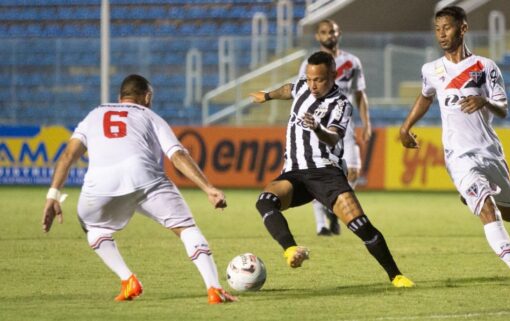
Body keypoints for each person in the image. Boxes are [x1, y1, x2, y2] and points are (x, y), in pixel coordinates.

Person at [42, 74, 238, 303]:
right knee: (186, 228)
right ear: (147, 96)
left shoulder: (93, 115)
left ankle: (128, 280)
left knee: (92, 226)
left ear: (119, 97)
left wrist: (53, 194)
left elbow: (68, 156)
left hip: (100, 184)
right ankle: (214, 288)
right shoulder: (150, 116)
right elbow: (178, 155)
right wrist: (208, 188)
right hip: (145, 178)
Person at [399, 6, 510, 285]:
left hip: (489, 151)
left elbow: (503, 108)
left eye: (447, 28)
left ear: (462, 29)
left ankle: (471, 195)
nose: (441, 34)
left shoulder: (485, 67)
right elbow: (426, 96)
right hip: (458, 154)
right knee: (487, 209)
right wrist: (406, 127)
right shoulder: (431, 70)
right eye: (437, 29)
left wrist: (485, 101)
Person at [249, 52, 414, 288]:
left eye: (319, 80)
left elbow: (333, 137)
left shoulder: (340, 104)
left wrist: (316, 128)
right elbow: (289, 88)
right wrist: (267, 95)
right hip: (294, 173)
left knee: (360, 225)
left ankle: (396, 276)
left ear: (333, 76)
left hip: (326, 173)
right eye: (309, 79)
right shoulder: (303, 88)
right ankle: (292, 250)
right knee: (265, 201)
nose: (312, 85)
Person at [298, 19, 372, 236]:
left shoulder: (352, 62)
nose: (329, 35)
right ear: (317, 37)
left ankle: (333, 208)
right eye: (324, 32)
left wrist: (367, 122)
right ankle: (321, 225)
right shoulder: (309, 65)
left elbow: (360, 94)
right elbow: (301, 95)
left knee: (354, 172)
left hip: (345, 126)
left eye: (333, 31)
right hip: (319, 126)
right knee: (318, 173)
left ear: (339, 33)